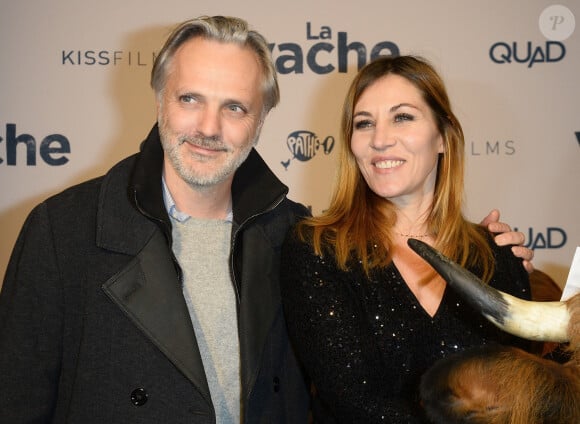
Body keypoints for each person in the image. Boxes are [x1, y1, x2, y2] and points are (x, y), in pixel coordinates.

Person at [0, 16, 530, 424]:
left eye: (234, 107)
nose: (209, 127)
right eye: (190, 99)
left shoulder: (288, 234)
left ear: (261, 119)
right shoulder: (60, 232)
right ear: (160, 98)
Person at [280, 55, 534, 423]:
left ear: (443, 136)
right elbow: (357, 403)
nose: (380, 140)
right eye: (364, 124)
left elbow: (525, 398)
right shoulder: (316, 250)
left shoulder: (497, 258)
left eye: (402, 117)